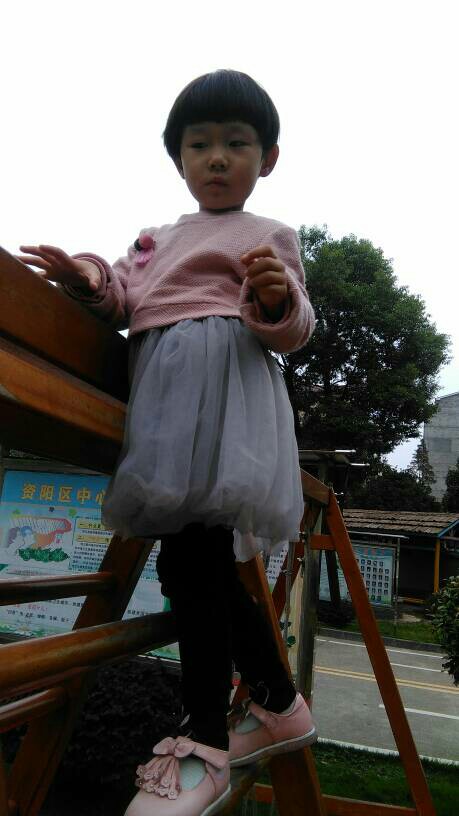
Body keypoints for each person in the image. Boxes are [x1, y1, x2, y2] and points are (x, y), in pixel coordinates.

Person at [16, 69, 317, 816]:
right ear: (178, 159)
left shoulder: (268, 236)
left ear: (267, 159)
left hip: (226, 406)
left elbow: (295, 327)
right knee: (196, 565)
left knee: (194, 562)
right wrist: (83, 275)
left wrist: (274, 293)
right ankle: (277, 703)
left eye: (236, 144)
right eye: (199, 144)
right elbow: (119, 292)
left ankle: (207, 738)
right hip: (165, 414)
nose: (217, 158)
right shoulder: (158, 239)